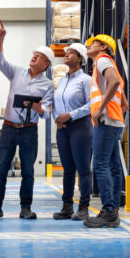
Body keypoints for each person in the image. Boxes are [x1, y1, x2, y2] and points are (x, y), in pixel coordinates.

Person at [0, 20, 55, 220]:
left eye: (39, 56)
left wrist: (34, 105)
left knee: (28, 171)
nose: (34, 57)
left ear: (46, 64)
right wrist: (0, 38)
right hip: (8, 129)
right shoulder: (16, 72)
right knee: (1, 169)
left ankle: (26, 208)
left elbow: (46, 113)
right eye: (34, 54)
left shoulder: (48, 85)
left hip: (29, 131)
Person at [83, 34, 128, 229]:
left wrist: (101, 110)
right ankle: (113, 210)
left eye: (92, 43)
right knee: (114, 166)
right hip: (115, 120)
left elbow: (115, 82)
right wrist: (112, 110)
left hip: (106, 120)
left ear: (102, 46)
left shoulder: (101, 60)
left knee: (100, 165)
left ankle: (109, 210)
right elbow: (125, 104)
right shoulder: (109, 63)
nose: (88, 46)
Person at [52, 43, 93, 221]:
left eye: (71, 53)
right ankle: (67, 206)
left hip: (80, 127)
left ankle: (84, 207)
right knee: (68, 169)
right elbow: (56, 103)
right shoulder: (62, 80)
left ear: (81, 58)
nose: (66, 55)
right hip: (63, 128)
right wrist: (57, 118)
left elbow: (92, 105)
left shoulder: (86, 80)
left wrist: (71, 115)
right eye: (66, 53)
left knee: (83, 169)